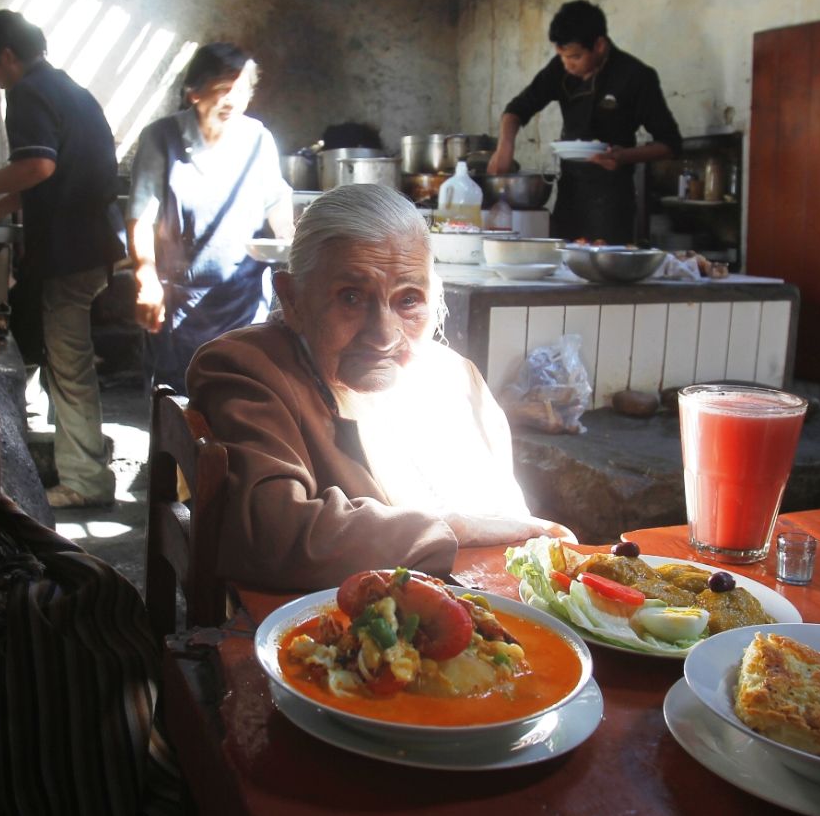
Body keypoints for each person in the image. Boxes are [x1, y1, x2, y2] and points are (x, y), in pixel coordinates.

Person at [186, 184, 571, 591]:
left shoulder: (456, 379)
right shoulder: (247, 369)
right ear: (293, 299)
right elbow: (274, 535)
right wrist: (452, 526)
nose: (384, 335)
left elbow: (510, 523)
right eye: (351, 297)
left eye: (408, 300)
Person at [0, 10, 121, 509]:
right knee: (66, 361)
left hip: (71, 249)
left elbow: (38, 166)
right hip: (89, 243)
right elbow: (47, 176)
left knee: (68, 366)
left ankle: (85, 480)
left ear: (6, 56)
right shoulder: (67, 88)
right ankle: (80, 465)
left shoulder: (28, 91)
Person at [127, 43, 295, 391]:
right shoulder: (162, 139)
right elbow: (140, 215)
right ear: (194, 93)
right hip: (181, 303)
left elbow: (275, 201)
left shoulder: (256, 138)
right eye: (222, 91)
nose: (232, 102)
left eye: (241, 92)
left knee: (241, 393)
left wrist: (290, 243)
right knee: (179, 401)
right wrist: (146, 278)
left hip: (244, 297)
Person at [487, 0, 681, 243]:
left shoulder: (636, 76)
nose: (568, 65)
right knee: (562, 269)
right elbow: (517, 109)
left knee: (604, 273)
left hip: (611, 198)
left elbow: (671, 145)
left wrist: (622, 156)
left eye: (576, 57)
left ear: (599, 45)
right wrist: (505, 147)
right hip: (570, 191)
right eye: (562, 56)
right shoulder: (561, 68)